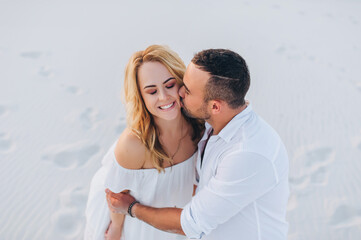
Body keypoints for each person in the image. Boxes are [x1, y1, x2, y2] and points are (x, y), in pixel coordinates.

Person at [106, 49, 290, 240]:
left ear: (215, 107)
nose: (179, 92)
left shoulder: (246, 154)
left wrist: (131, 208)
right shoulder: (212, 125)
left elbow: (190, 224)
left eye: (187, 90)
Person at [84, 45, 204, 240]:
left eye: (169, 84)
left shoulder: (199, 128)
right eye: (152, 91)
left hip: (176, 219)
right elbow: (116, 197)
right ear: (141, 97)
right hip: (136, 225)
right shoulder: (134, 143)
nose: (164, 97)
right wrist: (115, 230)